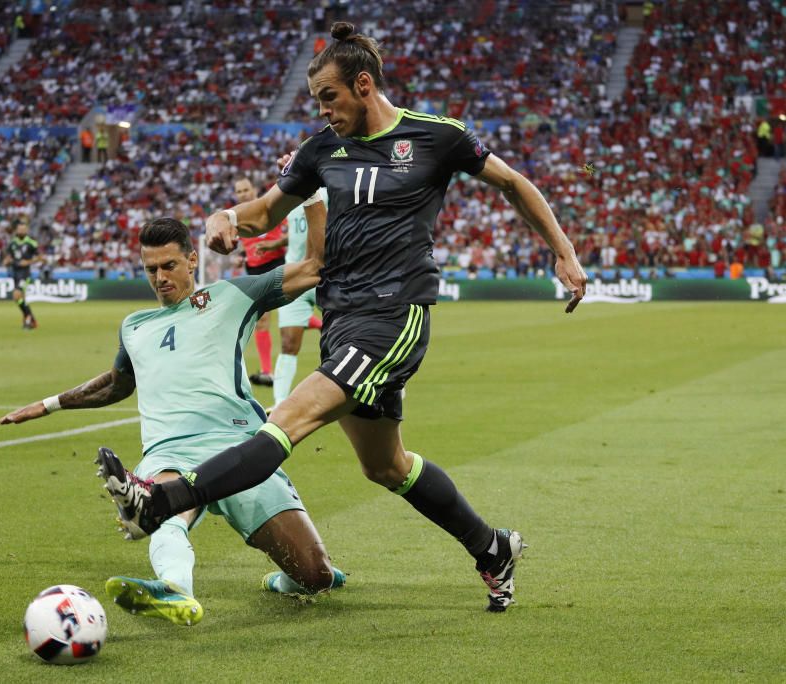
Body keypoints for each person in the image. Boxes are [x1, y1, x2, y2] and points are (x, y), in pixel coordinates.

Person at [103, 22, 588, 613]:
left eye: (329, 97)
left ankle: (162, 500)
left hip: (394, 316)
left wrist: (562, 250)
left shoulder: (436, 137)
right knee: (386, 466)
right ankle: (493, 548)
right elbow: (264, 212)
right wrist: (226, 215)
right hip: (342, 320)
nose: (323, 111)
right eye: (316, 101)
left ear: (364, 85)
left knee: (286, 420)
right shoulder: (319, 151)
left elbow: (513, 183)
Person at [0, 214, 344, 627]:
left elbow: (313, 267)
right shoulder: (134, 327)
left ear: (192, 259)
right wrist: (50, 404)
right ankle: (175, 589)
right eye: (150, 269)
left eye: (169, 266)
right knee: (156, 508)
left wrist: (311, 195)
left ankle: (287, 579)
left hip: (240, 450)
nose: (159, 277)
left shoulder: (233, 296)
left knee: (316, 576)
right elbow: (116, 384)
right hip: (170, 453)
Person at [271, 187, 326, 410]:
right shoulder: (291, 196)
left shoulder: (327, 192)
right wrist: (273, 245)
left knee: (344, 336)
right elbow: (297, 231)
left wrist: (311, 258)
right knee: (288, 343)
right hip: (296, 275)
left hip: (326, 275)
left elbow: (323, 226)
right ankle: (279, 404)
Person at [234, 176, 288, 387]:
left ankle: (320, 324)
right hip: (254, 271)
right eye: (239, 192)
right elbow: (242, 246)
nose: (243, 194)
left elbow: (288, 230)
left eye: (245, 190)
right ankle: (267, 371)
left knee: (290, 313)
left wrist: (274, 245)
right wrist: (241, 257)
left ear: (253, 189)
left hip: (277, 263)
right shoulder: (237, 216)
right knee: (263, 321)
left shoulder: (269, 207)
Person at [4, 221, 39, 329]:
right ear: (16, 230)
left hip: (25, 273)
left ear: (27, 231)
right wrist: (6, 261)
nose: (21, 231)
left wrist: (28, 262)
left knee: (16, 295)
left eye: (23, 230)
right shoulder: (12, 243)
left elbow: (41, 257)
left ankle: (29, 319)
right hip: (15, 272)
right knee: (20, 299)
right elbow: (9, 256)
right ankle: (30, 320)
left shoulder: (32, 243)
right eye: (20, 229)